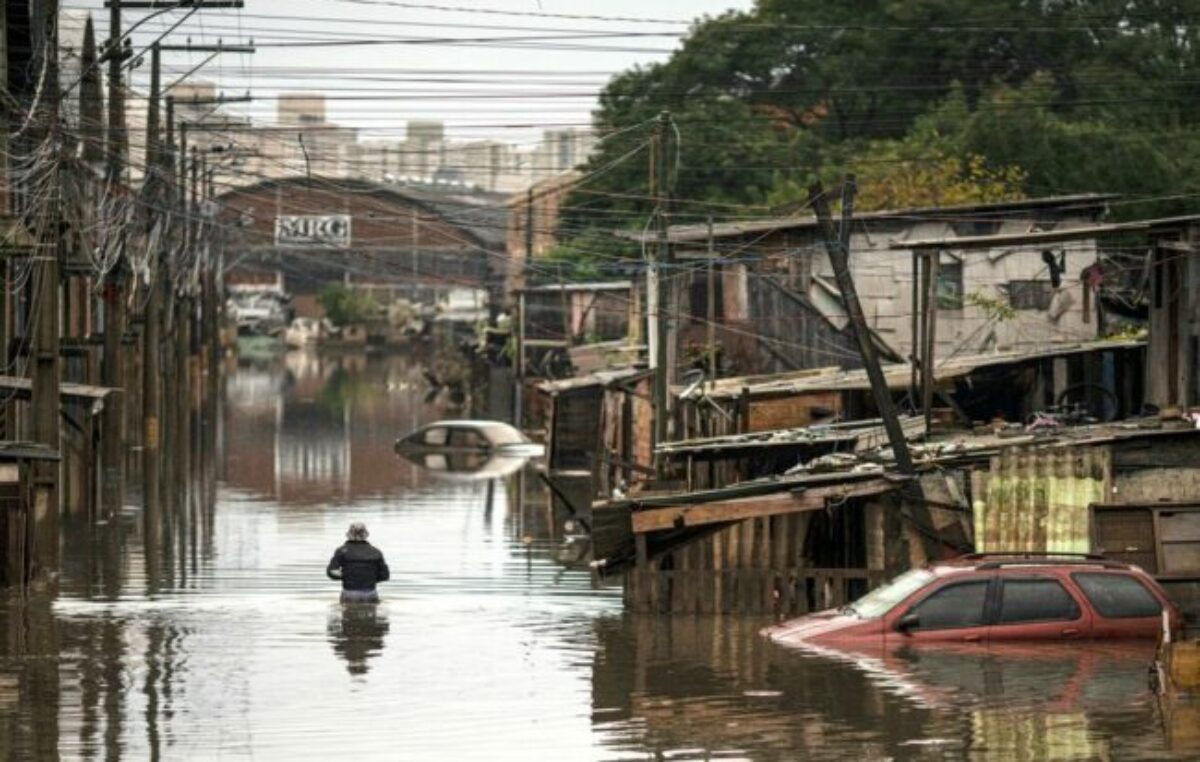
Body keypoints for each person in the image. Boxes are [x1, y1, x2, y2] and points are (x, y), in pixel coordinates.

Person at [327, 522, 390, 603]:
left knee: (347, 615)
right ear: (366, 535)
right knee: (372, 615)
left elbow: (331, 572)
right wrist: (369, 579)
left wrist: (347, 577)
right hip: (370, 593)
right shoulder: (376, 552)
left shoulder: (342, 551)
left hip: (349, 593)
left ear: (349, 534)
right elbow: (385, 575)